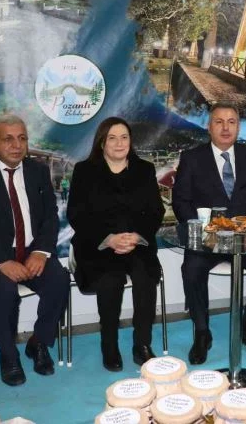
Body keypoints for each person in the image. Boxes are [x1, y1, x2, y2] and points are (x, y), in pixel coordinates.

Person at [0, 114, 69, 386]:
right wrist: (1, 262)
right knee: (4, 292)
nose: (16, 145)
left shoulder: (38, 171)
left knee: (59, 281)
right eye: (8, 139)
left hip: (31, 251)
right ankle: (9, 355)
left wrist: (41, 251)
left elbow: (50, 217)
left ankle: (39, 342)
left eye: (22, 138)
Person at [172, 103, 246, 365]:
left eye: (231, 121)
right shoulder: (192, 158)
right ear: (209, 127)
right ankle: (201, 331)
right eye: (219, 121)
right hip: (208, 240)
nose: (225, 127)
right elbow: (180, 202)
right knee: (192, 268)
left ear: (238, 127)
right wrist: (201, 230)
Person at [67, 117, 164, 371]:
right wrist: (108, 239)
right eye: (112, 137)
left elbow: (156, 211)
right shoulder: (84, 171)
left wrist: (137, 236)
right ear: (101, 143)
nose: (119, 143)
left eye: (124, 137)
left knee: (145, 276)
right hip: (97, 245)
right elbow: (77, 215)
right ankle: (108, 345)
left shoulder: (144, 169)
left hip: (136, 243)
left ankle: (141, 344)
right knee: (110, 279)